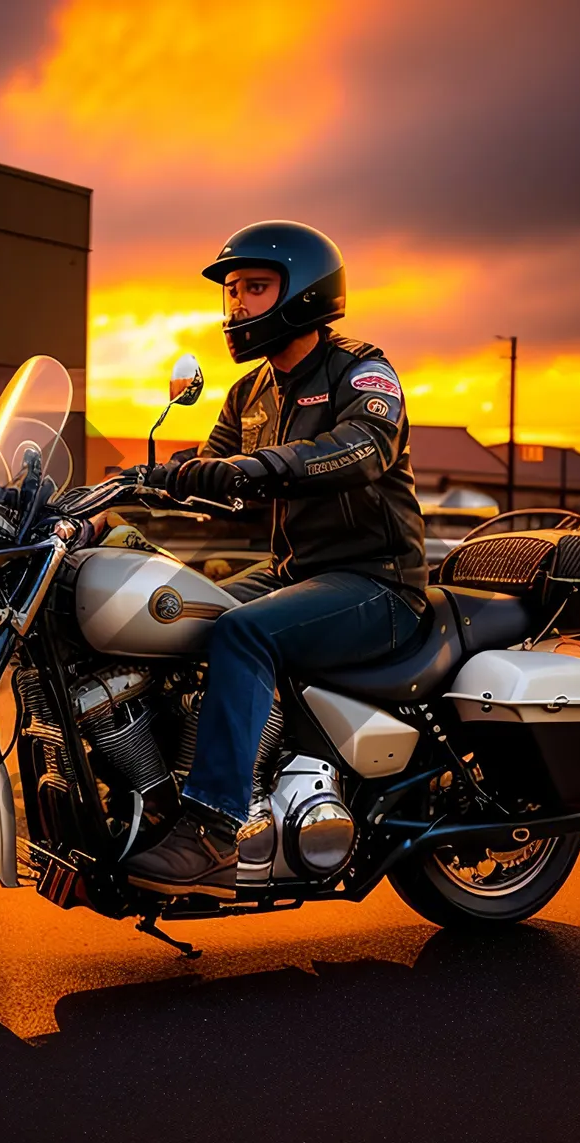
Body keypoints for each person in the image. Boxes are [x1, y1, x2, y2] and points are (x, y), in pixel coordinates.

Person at [125, 220, 428, 896]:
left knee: (243, 630)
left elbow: (363, 447)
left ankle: (212, 829)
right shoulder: (249, 393)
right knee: (180, 606)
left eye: (254, 289)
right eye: (232, 293)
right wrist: (136, 490)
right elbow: (211, 473)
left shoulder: (362, 370)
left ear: (307, 292)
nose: (237, 306)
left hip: (378, 583)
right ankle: (173, 785)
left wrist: (254, 469)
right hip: (300, 576)